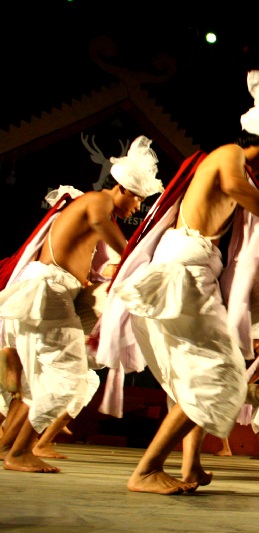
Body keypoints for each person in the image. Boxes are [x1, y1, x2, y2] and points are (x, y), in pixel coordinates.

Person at [95, 70, 259, 494]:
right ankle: (146, 470)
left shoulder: (239, 173)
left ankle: (191, 465)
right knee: (222, 374)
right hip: (183, 276)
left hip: (193, 275)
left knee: (197, 378)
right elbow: (233, 185)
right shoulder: (229, 156)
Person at [0, 147, 162, 474]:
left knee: (41, 381)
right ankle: (20, 452)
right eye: (138, 200)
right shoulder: (98, 201)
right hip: (49, 293)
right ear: (123, 188)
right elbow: (102, 224)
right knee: (70, 377)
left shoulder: (89, 208)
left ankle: (9, 446)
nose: (137, 208)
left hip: (50, 292)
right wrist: (133, 260)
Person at [214, 322, 259, 458]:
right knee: (256, 423)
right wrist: (246, 383)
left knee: (258, 420)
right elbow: (258, 373)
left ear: (258, 341)